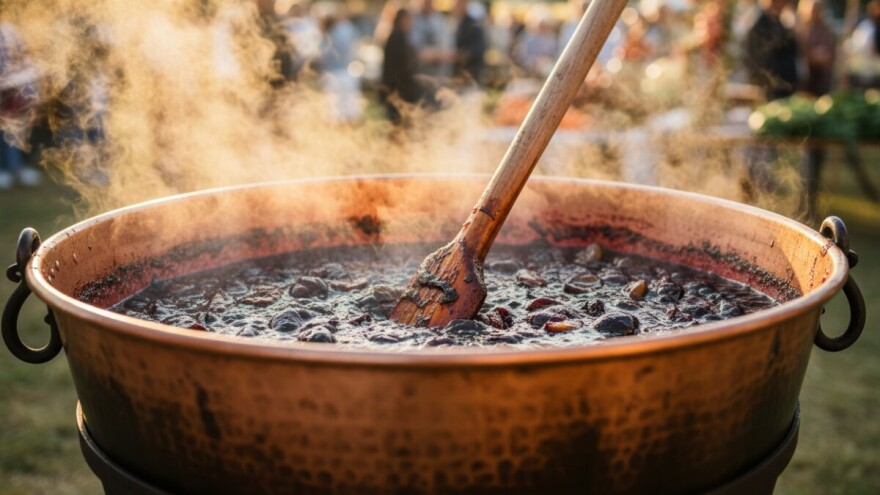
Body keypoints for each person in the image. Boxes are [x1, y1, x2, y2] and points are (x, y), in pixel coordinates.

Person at [0, 19, 40, 189]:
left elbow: (22, 56)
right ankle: (6, 169)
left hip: (13, 86)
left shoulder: (8, 29)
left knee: (14, 128)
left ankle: (15, 167)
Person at [744, 0, 798, 101]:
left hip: (786, 83)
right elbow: (756, 57)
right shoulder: (759, 27)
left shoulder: (782, 25)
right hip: (770, 85)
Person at [319, 5, 362, 124]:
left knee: (335, 108)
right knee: (347, 106)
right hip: (346, 72)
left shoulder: (331, 32)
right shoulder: (349, 29)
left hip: (334, 74)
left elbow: (323, 56)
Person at [381, 8, 422, 124]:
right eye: (409, 19)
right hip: (399, 92)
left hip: (395, 90)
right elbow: (403, 68)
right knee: (399, 127)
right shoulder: (399, 37)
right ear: (403, 20)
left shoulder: (395, 36)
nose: (411, 23)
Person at [452, 0, 486, 87]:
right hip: (458, 76)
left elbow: (477, 50)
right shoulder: (457, 23)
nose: (455, 6)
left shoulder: (474, 25)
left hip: (471, 75)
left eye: (458, 3)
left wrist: (455, 55)